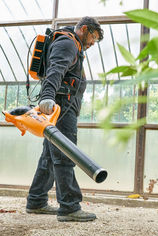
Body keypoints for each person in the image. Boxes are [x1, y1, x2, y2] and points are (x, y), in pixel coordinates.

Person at [26, 17, 104, 222]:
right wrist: (48, 96)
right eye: (93, 37)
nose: (92, 43)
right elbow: (56, 69)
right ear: (84, 29)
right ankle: (69, 207)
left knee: (49, 156)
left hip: (61, 107)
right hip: (60, 108)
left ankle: (36, 201)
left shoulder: (72, 43)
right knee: (65, 155)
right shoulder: (68, 42)